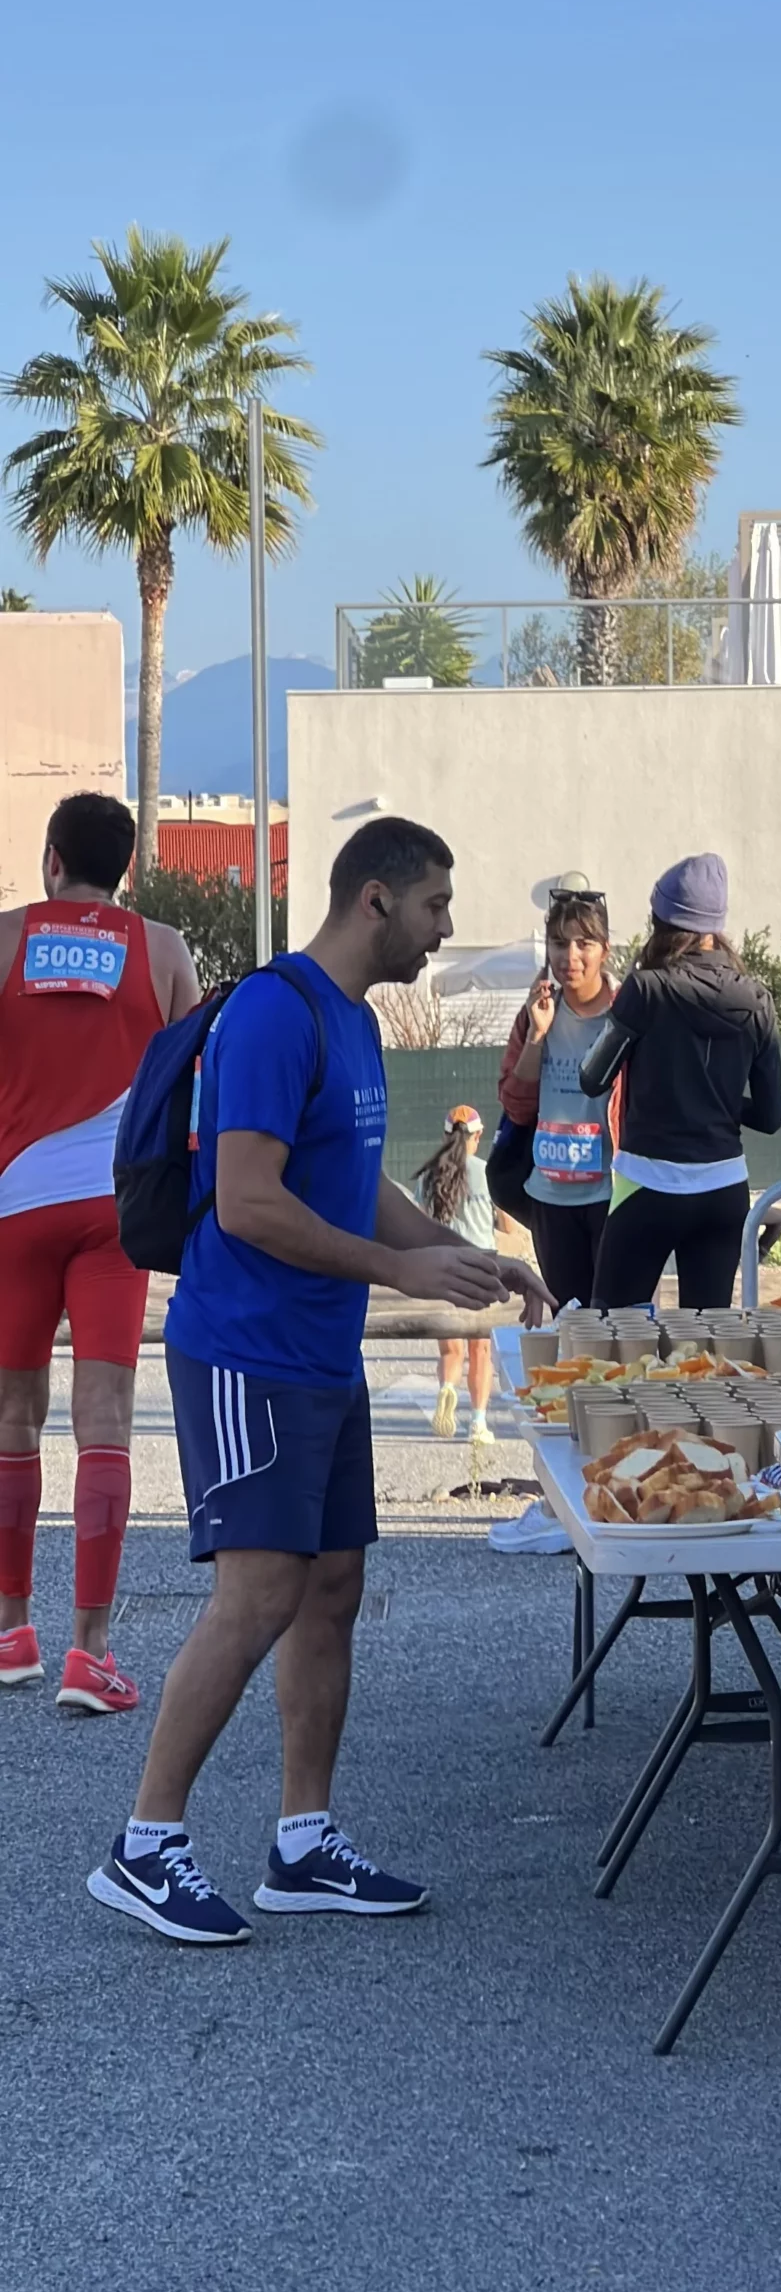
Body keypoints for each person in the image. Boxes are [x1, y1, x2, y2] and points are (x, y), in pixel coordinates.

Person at [87, 816, 552, 1946]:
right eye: (437, 904)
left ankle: (304, 1843)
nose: (445, 928)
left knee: (332, 1583)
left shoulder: (352, 1022)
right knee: (255, 1595)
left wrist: (460, 1247)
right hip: (247, 1350)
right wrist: (399, 1266)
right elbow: (246, 1200)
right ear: (376, 899)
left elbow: (351, 1185)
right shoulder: (271, 1013)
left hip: (318, 1353)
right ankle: (143, 1846)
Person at [0, 793, 200, 1711]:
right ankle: (92, 1650)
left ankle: (11, 1633)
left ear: (50, 860)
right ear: (127, 867)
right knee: (105, 1414)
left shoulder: (6, 940)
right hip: (115, 1206)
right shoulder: (160, 949)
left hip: (14, 1202)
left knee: (12, 1418)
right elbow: (200, 1077)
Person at [580, 854, 781, 1310]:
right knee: (706, 1345)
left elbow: (593, 1078)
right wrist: (720, 1101)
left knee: (614, 1335)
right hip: (723, 1189)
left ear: (659, 920)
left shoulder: (645, 989)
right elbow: (772, 1117)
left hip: (646, 1185)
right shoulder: (757, 999)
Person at [497, 887, 615, 1305]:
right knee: (569, 1322)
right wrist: (538, 1035)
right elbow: (515, 1104)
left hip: (613, 1194)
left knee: (620, 1321)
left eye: (584, 943)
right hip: (550, 1197)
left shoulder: (629, 1014)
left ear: (605, 949)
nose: (570, 956)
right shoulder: (534, 1013)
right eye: (559, 943)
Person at [413, 1103, 496, 1440]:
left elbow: (419, 1222)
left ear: (445, 1135)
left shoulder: (428, 1175)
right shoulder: (487, 1172)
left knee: (451, 1349)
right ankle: (478, 1422)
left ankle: (448, 1388)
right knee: (480, 1349)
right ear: (477, 1136)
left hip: (442, 1265)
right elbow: (504, 1221)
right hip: (482, 1266)